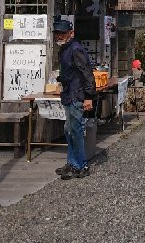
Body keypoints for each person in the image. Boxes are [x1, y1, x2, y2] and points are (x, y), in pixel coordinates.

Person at [53, 19, 94, 179]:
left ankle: (80, 164)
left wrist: (89, 97)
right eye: (57, 33)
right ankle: (72, 162)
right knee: (69, 130)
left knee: (75, 130)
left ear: (71, 33)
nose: (59, 36)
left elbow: (87, 73)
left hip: (77, 94)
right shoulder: (65, 49)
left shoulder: (76, 49)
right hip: (69, 94)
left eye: (62, 33)